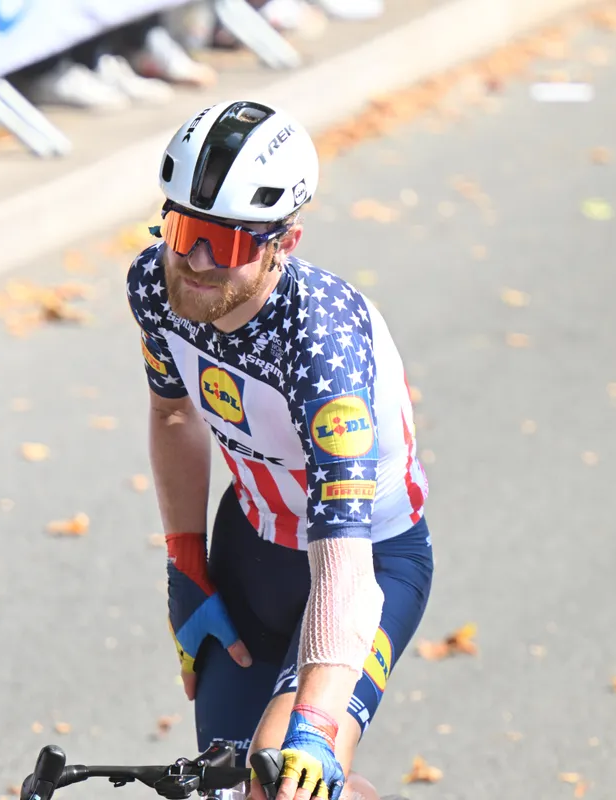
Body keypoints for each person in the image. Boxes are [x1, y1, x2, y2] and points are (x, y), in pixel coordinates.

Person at [125, 100, 433, 800]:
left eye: (227, 243)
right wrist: (186, 565)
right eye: (182, 229)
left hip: (369, 565)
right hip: (254, 543)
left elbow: (345, 568)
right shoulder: (155, 283)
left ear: (282, 243)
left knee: (282, 783)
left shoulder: (323, 352)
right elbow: (174, 416)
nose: (195, 262)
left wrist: (316, 726)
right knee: (225, 788)